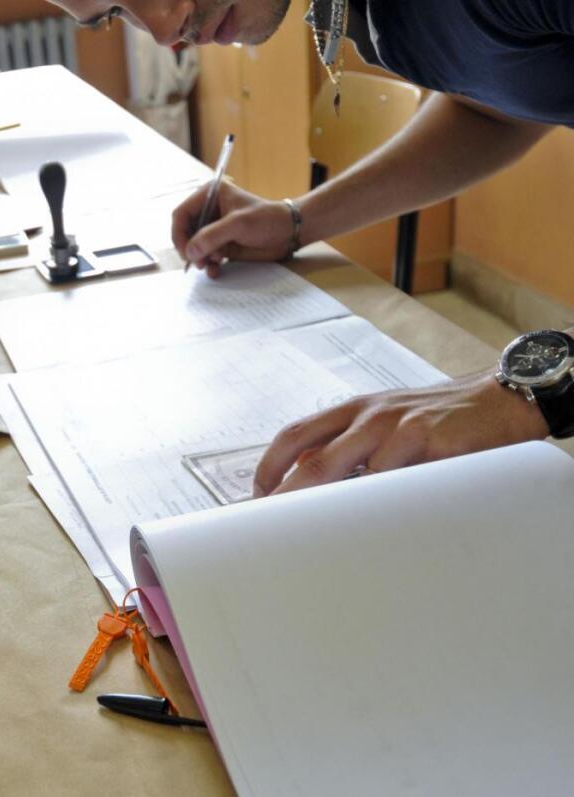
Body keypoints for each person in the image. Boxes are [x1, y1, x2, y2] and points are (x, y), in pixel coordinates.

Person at [46, 0, 574, 495]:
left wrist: (529, 391)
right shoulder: (375, 19)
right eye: (113, 13)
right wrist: (296, 221)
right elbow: (502, 105)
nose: (164, 32)